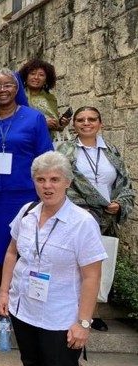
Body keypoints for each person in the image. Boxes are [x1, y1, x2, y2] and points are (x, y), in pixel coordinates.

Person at [0, 151, 106, 366]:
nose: (47, 186)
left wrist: (83, 323)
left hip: (60, 318)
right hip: (24, 311)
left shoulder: (82, 222)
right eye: (41, 179)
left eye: (55, 179)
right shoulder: (27, 212)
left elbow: (92, 276)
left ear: (67, 182)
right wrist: (3, 293)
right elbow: (12, 253)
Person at [0, 69, 52, 328]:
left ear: (17, 89)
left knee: (28, 252)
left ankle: (25, 306)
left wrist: (47, 196)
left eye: (8, 85)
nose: (2, 90)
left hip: (27, 197)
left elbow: (46, 160)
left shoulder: (34, 118)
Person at [56, 106, 135, 331]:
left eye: (92, 119)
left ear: (100, 123)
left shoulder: (112, 151)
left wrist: (119, 204)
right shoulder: (65, 150)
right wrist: (91, 205)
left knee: (98, 264)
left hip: (107, 219)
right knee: (74, 265)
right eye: (81, 119)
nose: (86, 123)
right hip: (77, 217)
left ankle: (93, 311)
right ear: (74, 125)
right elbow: (61, 182)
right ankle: (72, 309)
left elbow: (125, 184)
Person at [19, 58, 71, 141]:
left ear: (46, 80)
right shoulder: (18, 96)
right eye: (32, 74)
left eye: (41, 75)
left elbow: (55, 126)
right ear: (26, 76)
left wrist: (62, 124)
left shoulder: (51, 98)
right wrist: (42, 124)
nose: (36, 77)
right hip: (23, 141)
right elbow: (14, 122)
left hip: (46, 143)